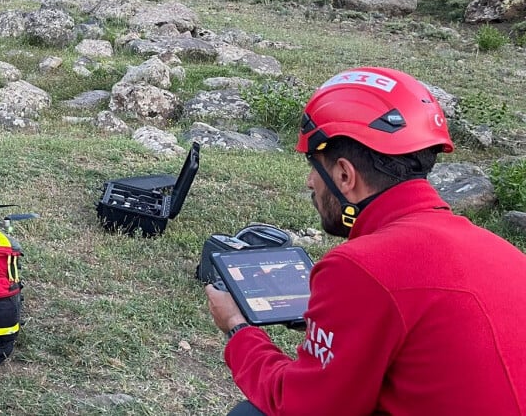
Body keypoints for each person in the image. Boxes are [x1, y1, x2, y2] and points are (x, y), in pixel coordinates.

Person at [205, 66, 526, 416]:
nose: (311, 182)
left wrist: (237, 329)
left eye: (315, 166)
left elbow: (299, 406)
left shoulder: (361, 267)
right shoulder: (503, 252)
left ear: (345, 175)